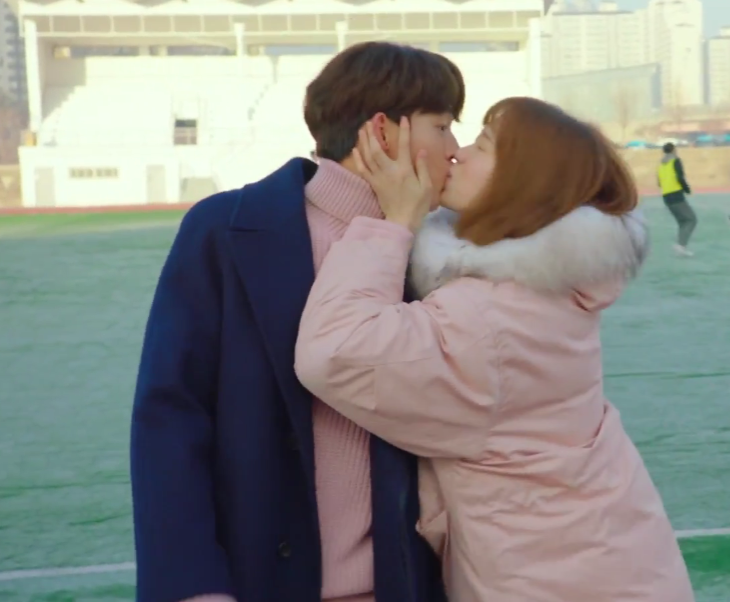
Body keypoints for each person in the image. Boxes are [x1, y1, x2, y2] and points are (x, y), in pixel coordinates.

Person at [294, 97, 695, 601]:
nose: (457, 152)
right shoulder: (539, 286)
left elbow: (334, 351)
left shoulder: (494, 317)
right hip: (604, 562)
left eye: (482, 146)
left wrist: (393, 225)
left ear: (524, 180)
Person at [130, 41, 460, 602]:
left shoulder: (448, 250)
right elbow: (171, 416)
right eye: (444, 126)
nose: (455, 149)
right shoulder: (225, 230)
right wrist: (193, 587)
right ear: (384, 133)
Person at [657, 142, 696, 256]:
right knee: (691, 219)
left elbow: (659, 182)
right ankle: (681, 245)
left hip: (666, 196)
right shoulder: (676, 161)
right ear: (673, 150)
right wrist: (687, 189)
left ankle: (681, 247)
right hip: (676, 194)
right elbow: (680, 177)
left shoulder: (661, 165)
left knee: (682, 221)